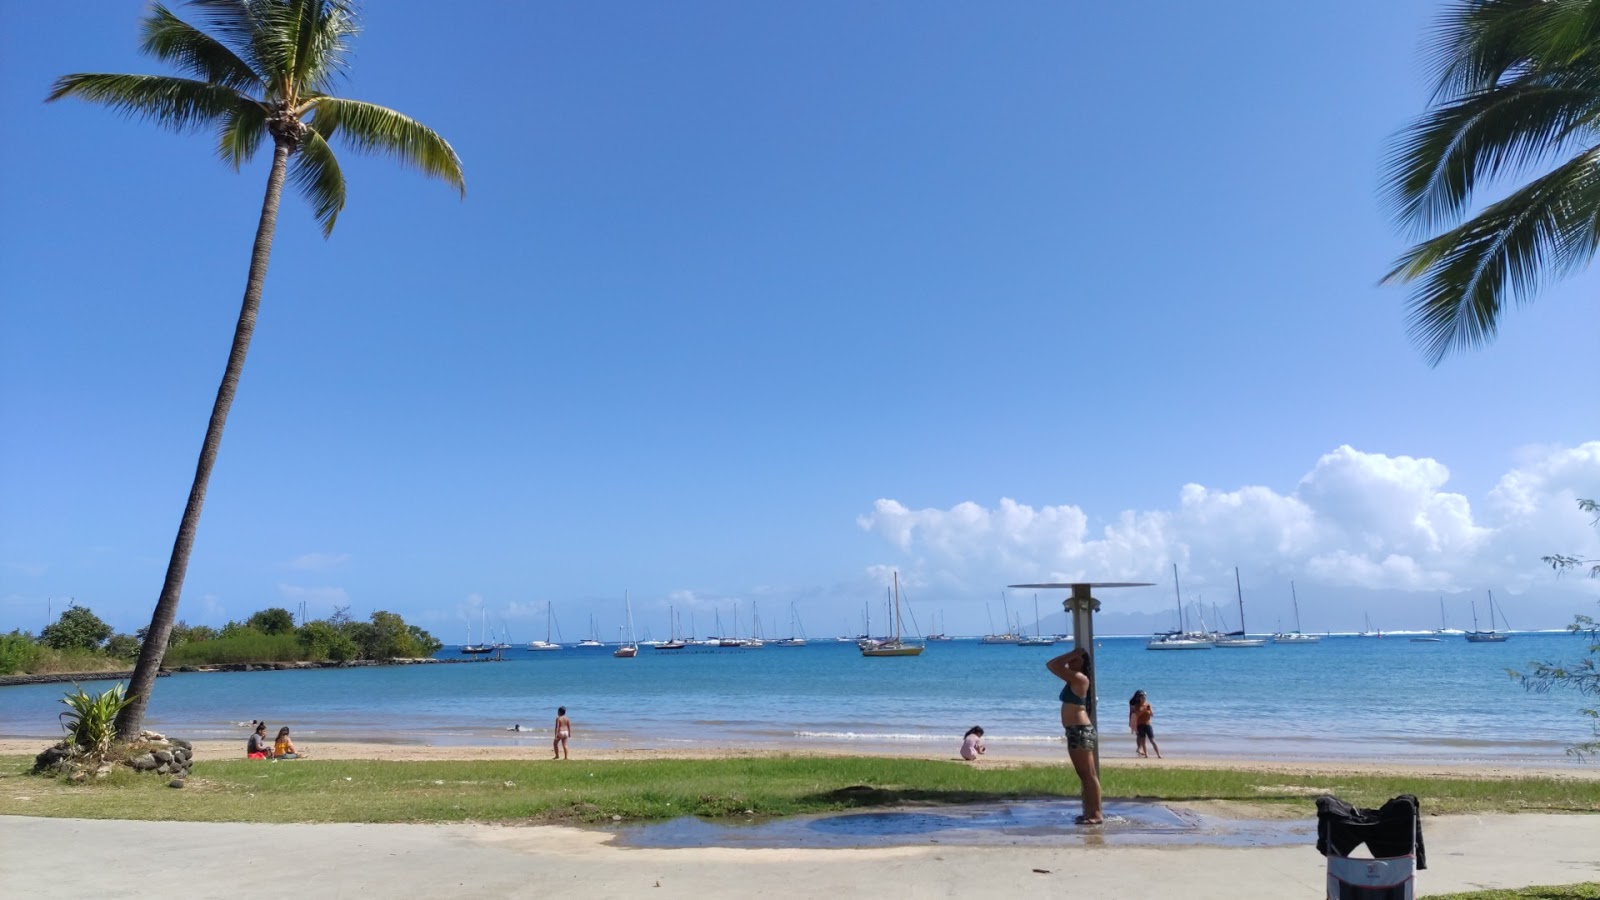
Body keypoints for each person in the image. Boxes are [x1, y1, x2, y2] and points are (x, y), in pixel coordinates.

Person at [1046, 647, 1102, 825]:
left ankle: (1096, 814)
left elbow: (1052, 665)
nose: (1071, 661)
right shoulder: (1073, 679)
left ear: (1083, 663)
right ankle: (1091, 812)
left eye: (1076, 659)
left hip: (1080, 730)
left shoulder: (1079, 678)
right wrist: (1075, 654)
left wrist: (1073, 653)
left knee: (1088, 774)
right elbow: (1055, 665)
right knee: (1085, 774)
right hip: (1075, 730)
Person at [1128, 690, 1161, 759]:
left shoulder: (1148, 705)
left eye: (1145, 698)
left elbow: (1151, 714)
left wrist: (1149, 710)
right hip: (1140, 724)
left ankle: (1158, 754)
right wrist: (1143, 710)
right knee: (1142, 739)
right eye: (1142, 698)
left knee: (1152, 740)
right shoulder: (1136, 705)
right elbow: (1136, 714)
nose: (1144, 699)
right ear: (1139, 698)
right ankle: (1145, 754)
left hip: (1148, 724)